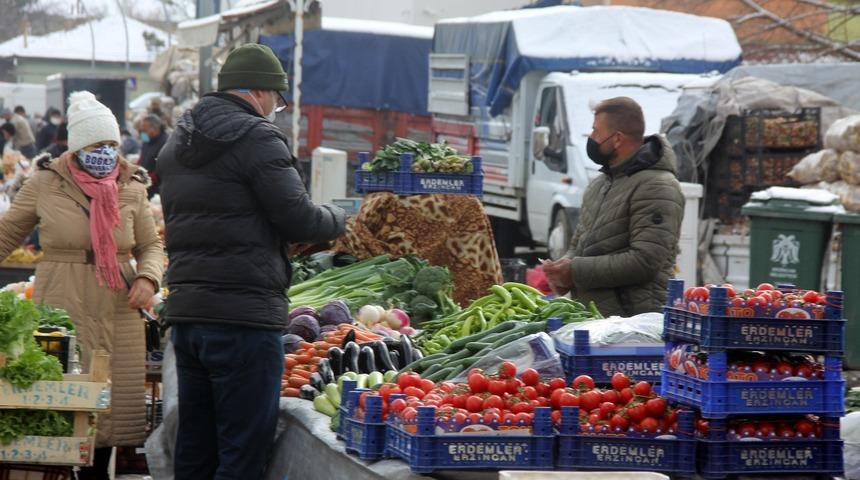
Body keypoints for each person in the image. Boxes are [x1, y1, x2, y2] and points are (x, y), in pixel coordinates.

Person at [158, 43, 346, 479]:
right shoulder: (258, 137)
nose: (276, 109)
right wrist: (340, 218)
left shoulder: (177, 142)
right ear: (260, 93)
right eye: (277, 100)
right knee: (241, 454)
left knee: (196, 450)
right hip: (243, 320)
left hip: (188, 317)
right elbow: (299, 218)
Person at [0, 91, 164, 480]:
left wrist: (148, 276)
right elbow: (7, 234)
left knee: (108, 411)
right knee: (58, 403)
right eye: (97, 145)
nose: (106, 152)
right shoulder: (45, 183)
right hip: (60, 303)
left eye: (111, 144)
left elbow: (150, 244)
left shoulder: (132, 186)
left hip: (117, 306)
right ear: (77, 147)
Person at [542, 97, 684, 317]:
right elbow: (580, 241)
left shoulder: (658, 187)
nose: (592, 138)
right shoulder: (600, 184)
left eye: (596, 131)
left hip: (633, 323)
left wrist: (574, 271)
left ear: (617, 139)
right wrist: (563, 268)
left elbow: (645, 261)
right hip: (595, 318)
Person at [137, 114, 168, 198]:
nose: (142, 132)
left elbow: (163, 168)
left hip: (156, 188)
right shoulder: (146, 138)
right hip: (144, 182)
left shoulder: (165, 142)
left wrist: (146, 179)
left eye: (145, 130)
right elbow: (142, 155)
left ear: (155, 128)